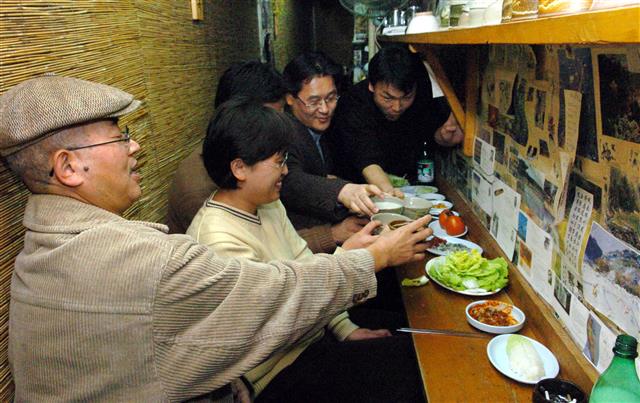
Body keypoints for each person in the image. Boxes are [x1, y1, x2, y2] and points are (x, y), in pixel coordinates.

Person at [0, 74, 432, 401]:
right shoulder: (137, 257)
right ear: (68, 168)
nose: (135, 148)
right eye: (120, 137)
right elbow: (269, 293)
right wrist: (368, 260)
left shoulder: (42, 247)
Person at [187, 98, 423, 402]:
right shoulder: (217, 238)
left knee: (412, 342)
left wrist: (344, 328)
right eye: (278, 161)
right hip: (277, 374)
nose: (286, 171)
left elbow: (303, 261)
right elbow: (280, 318)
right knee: (410, 370)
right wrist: (355, 258)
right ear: (239, 168)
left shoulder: (267, 204)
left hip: (312, 341)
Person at [166, 61, 336, 254]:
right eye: (267, 117)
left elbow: (292, 251)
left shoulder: (264, 190)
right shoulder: (202, 194)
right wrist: (332, 235)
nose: (276, 126)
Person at [280, 52, 384, 250]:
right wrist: (341, 191)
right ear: (290, 99)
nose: (325, 109)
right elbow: (290, 181)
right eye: (313, 101)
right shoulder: (283, 131)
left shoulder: (318, 129)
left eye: (331, 98)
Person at [330, 44, 464, 196]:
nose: (397, 107)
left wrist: (442, 137)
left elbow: (429, 131)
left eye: (406, 97)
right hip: (358, 190)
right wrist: (390, 194)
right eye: (387, 98)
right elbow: (367, 161)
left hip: (411, 185)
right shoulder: (353, 104)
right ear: (371, 86)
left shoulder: (423, 94)